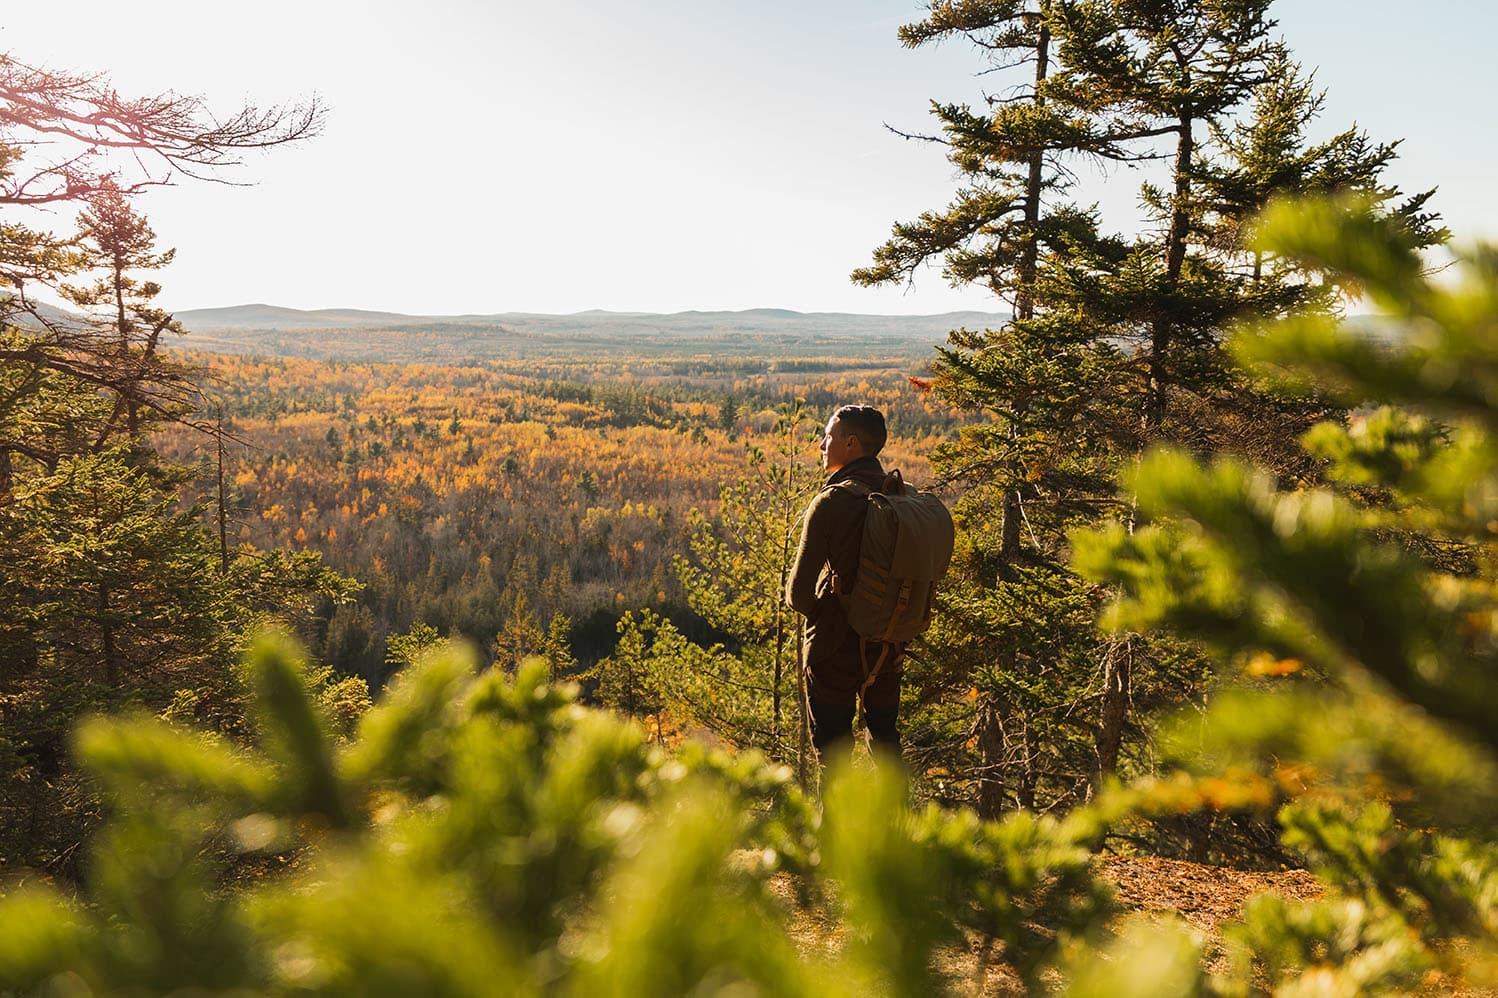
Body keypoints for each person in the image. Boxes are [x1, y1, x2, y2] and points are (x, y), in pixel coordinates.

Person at [785, 404, 902, 762]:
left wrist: (826, 613)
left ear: (851, 443)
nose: (822, 445)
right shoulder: (898, 494)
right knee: (885, 743)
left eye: (828, 437)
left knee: (833, 756)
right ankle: (895, 818)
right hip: (888, 643)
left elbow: (797, 594)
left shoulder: (832, 502)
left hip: (835, 649)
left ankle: (835, 820)